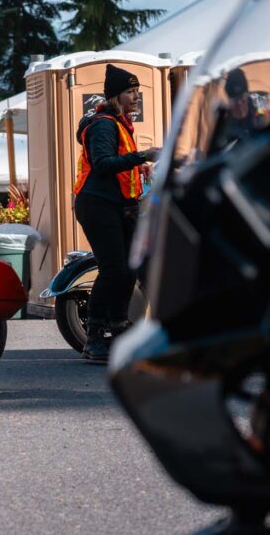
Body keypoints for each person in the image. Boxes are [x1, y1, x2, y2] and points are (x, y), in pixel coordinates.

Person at [71, 65, 160, 364]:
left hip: (120, 204)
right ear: (115, 96)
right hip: (97, 204)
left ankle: (120, 330)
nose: (136, 97)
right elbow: (103, 163)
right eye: (130, 92)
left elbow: (118, 166)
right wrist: (143, 156)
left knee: (130, 268)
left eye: (137, 91)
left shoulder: (120, 123)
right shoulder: (103, 124)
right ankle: (94, 338)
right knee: (113, 270)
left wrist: (139, 166)